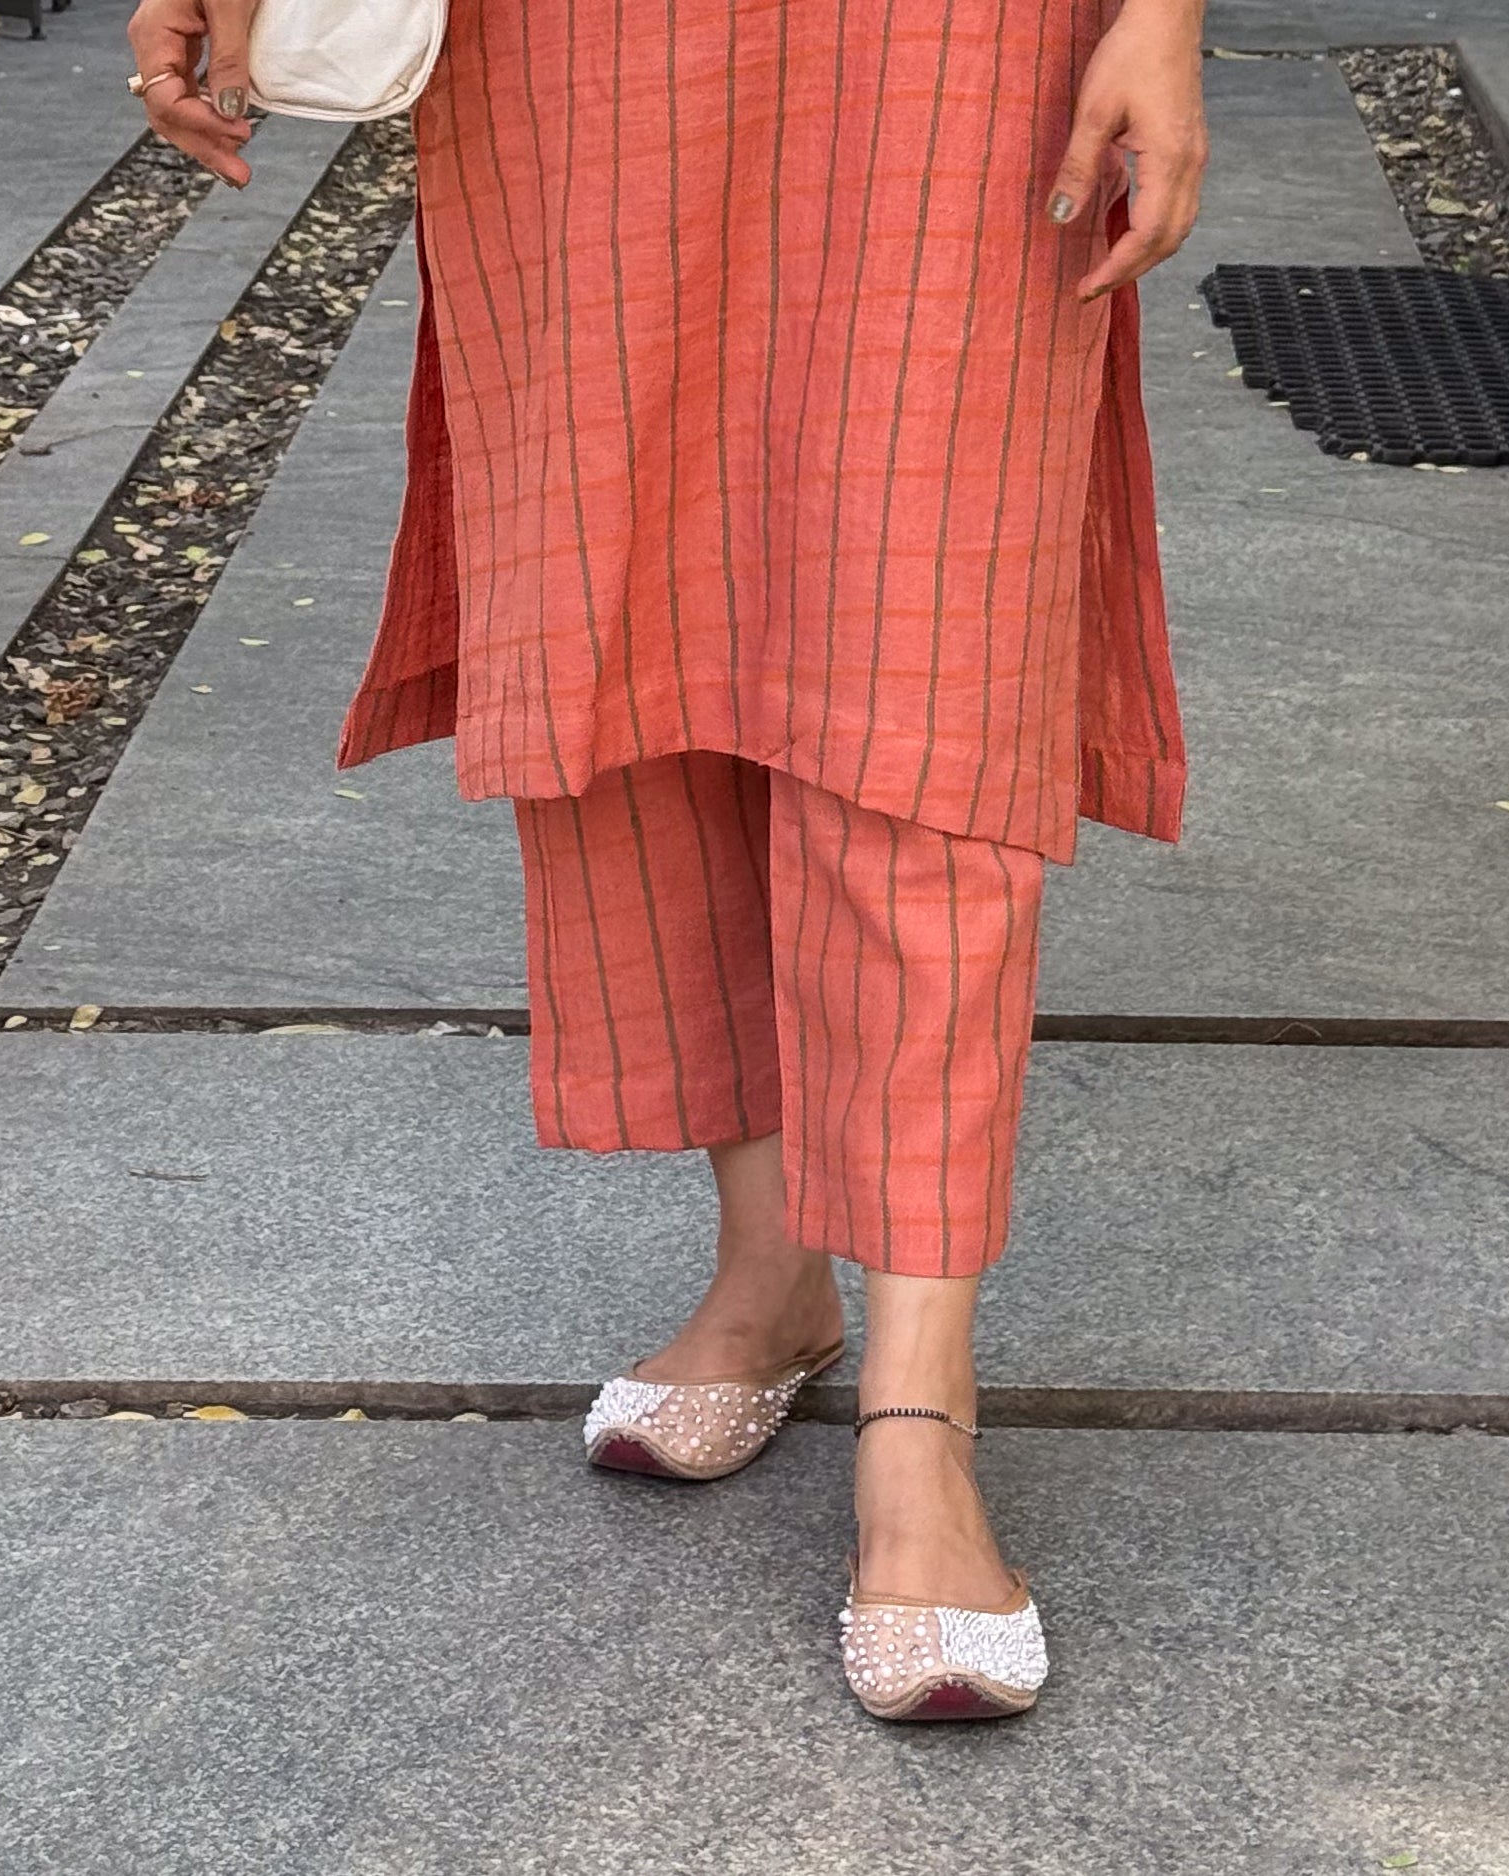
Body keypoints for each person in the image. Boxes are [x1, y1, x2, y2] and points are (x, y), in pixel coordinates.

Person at [129, 0, 1206, 1722]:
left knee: (928, 664)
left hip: (957, 46)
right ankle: (769, 1271)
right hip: (573, 52)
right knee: (632, 624)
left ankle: (920, 1412)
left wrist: (1164, 17)